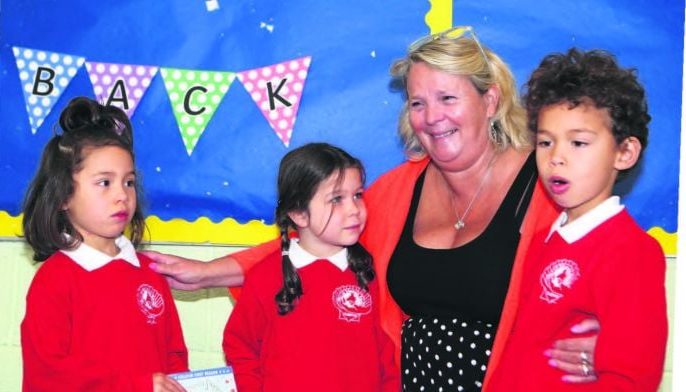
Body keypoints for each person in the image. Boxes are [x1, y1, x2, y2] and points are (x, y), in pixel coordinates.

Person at [146, 26, 600, 390]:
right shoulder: (398, 190)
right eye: (418, 103)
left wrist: (608, 342)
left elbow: (608, 268)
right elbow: (311, 241)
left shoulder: (545, 185)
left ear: (489, 100)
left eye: (447, 98)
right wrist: (209, 271)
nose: (432, 117)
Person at [486, 48, 668, 391]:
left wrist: (608, 355)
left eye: (579, 143)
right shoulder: (543, 238)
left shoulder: (632, 251)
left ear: (624, 153)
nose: (556, 158)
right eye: (545, 142)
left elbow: (633, 379)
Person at [20, 97, 189, 391]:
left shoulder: (151, 271)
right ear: (63, 197)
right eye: (104, 183)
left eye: (129, 182)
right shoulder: (55, 279)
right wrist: (137, 386)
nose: (122, 195)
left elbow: (175, 357)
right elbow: (48, 373)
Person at [222, 143, 399, 391]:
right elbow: (239, 346)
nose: (353, 210)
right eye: (336, 199)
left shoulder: (369, 273)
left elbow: (387, 357)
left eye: (357, 195)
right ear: (298, 213)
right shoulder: (264, 277)